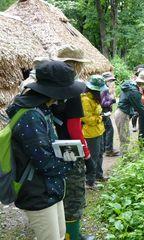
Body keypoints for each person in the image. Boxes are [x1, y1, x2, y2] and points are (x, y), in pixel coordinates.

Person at [6, 60, 84, 240]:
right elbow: (45, 163)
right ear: (55, 91)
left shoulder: (41, 108)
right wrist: (71, 162)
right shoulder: (31, 115)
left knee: (59, 233)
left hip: (49, 188)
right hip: (37, 192)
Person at [50, 45, 95, 240]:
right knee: (74, 196)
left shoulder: (47, 87)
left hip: (51, 146)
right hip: (70, 149)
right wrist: (87, 154)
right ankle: (73, 236)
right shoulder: (73, 89)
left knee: (60, 192)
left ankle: (64, 233)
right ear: (76, 66)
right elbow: (75, 127)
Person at [115, 71, 144, 154]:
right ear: (142, 83)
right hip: (122, 114)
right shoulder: (134, 92)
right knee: (125, 137)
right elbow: (140, 108)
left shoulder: (131, 86)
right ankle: (124, 158)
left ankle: (125, 155)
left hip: (121, 112)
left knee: (125, 135)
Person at [81, 75, 107, 187]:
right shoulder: (85, 100)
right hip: (90, 133)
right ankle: (90, 181)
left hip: (99, 130)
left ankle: (99, 175)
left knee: (100, 153)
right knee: (93, 157)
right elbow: (86, 119)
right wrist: (100, 117)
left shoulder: (94, 98)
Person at [101, 72, 120, 157]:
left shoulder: (102, 88)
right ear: (106, 80)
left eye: (112, 80)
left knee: (105, 130)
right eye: (110, 80)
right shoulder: (104, 89)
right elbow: (103, 103)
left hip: (102, 112)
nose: (111, 82)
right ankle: (109, 150)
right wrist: (113, 100)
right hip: (104, 112)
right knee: (109, 130)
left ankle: (106, 148)